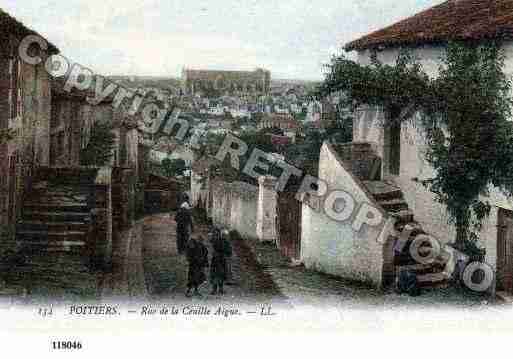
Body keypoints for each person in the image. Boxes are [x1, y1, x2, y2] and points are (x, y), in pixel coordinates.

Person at [209, 228, 233, 295]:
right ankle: (216, 289)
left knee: (220, 274)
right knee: (217, 274)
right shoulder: (219, 241)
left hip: (220, 259)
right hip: (218, 259)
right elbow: (228, 251)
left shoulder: (221, 241)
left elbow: (229, 251)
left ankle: (219, 289)